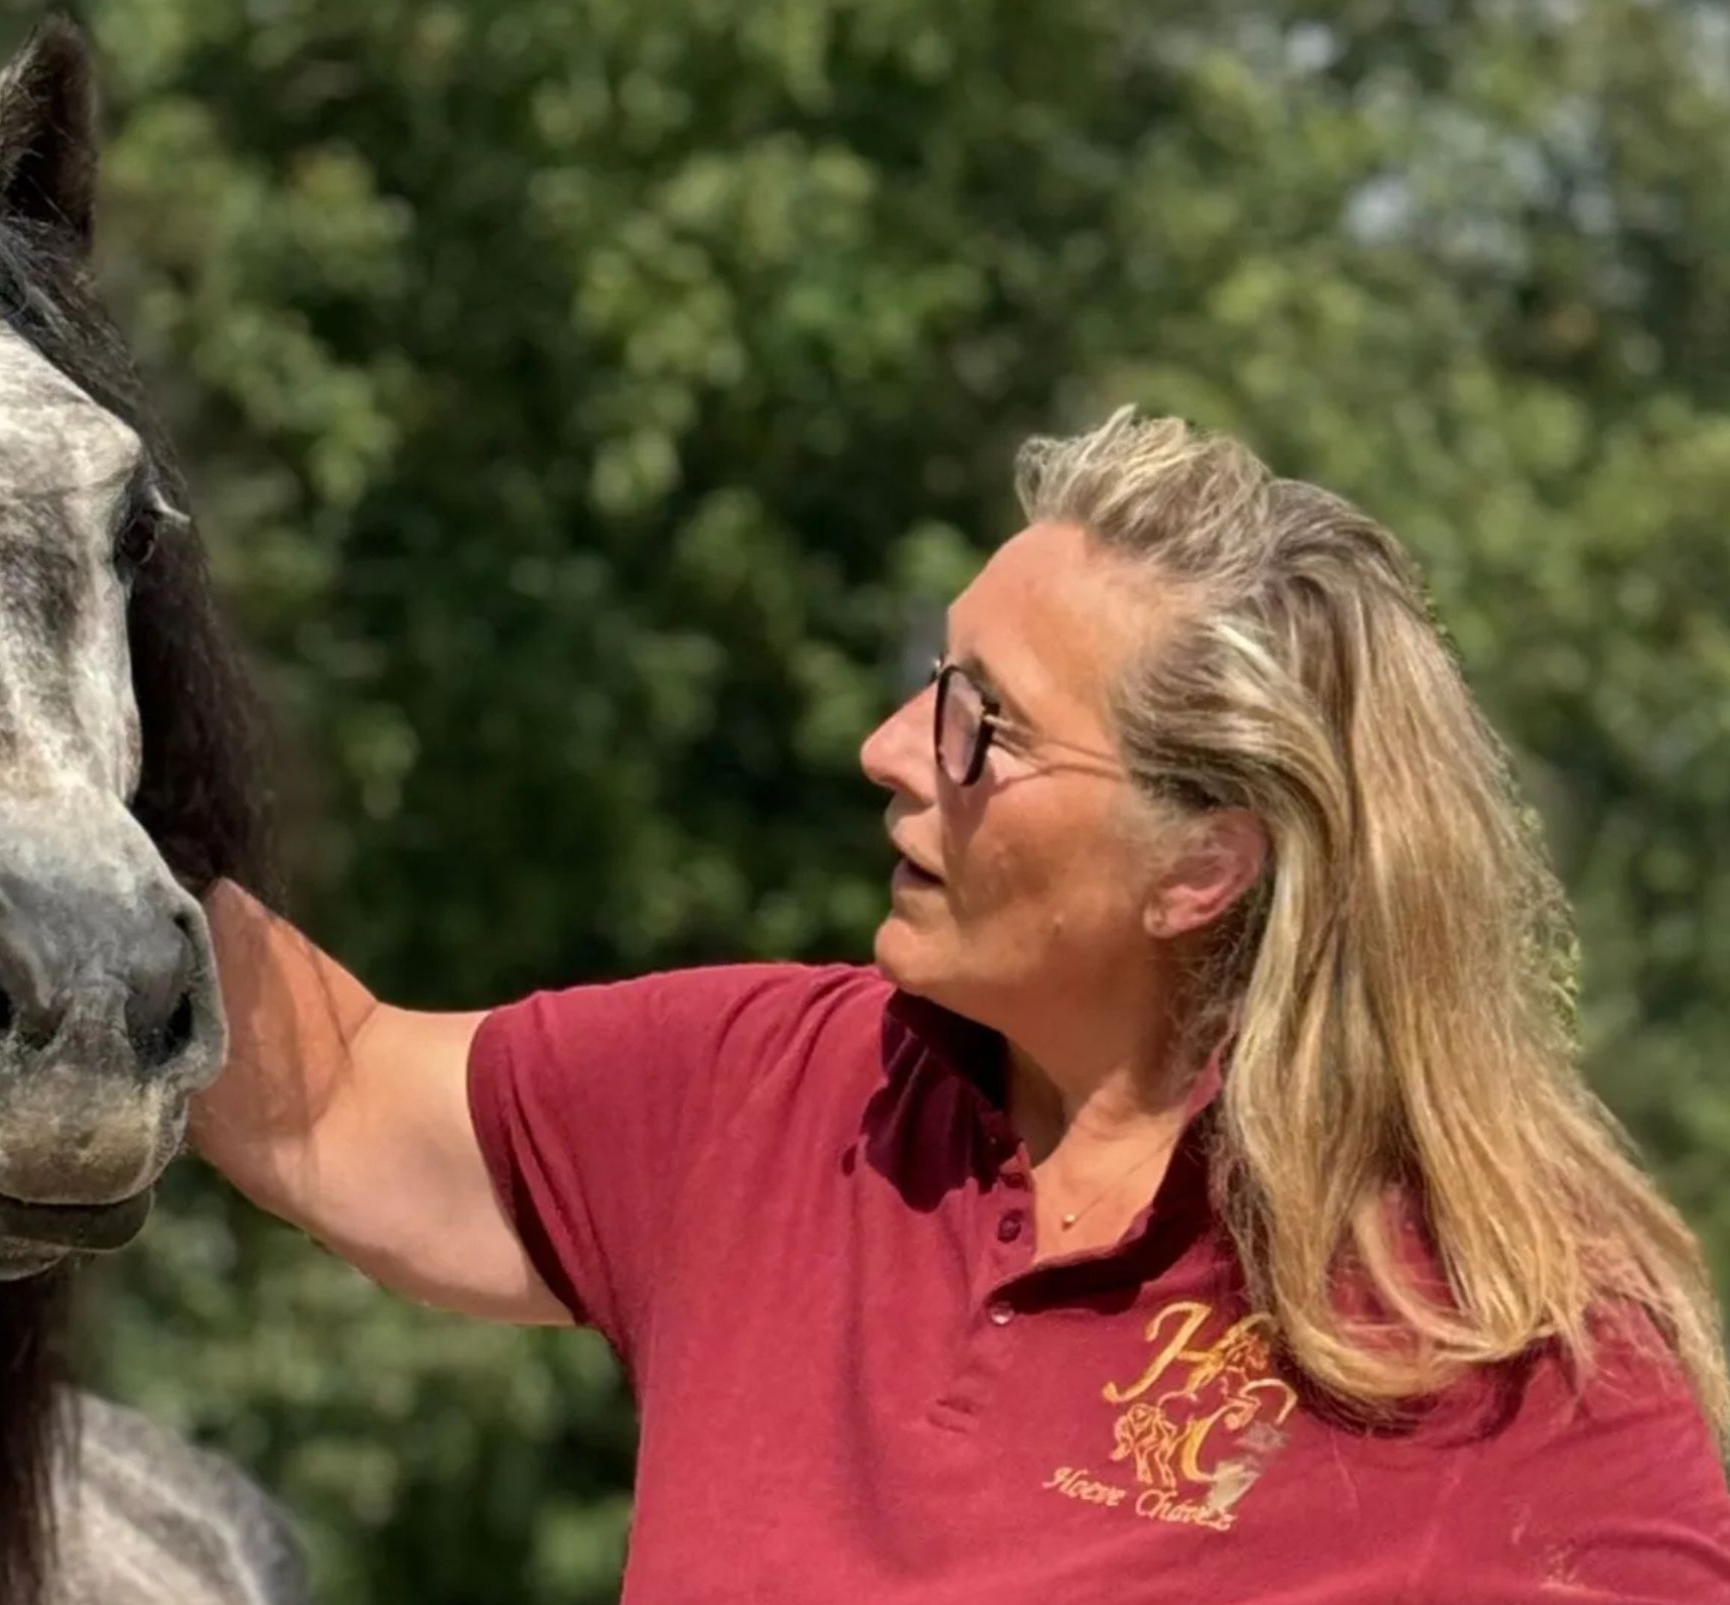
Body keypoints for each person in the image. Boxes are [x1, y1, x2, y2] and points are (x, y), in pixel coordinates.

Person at [190, 409, 1730, 1601]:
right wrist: (21, 785)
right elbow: (329, 1096)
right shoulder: (773, 1091)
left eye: (981, 726)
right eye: (935, 682)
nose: (887, 748)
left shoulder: (1510, 1341)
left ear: (1202, 863)